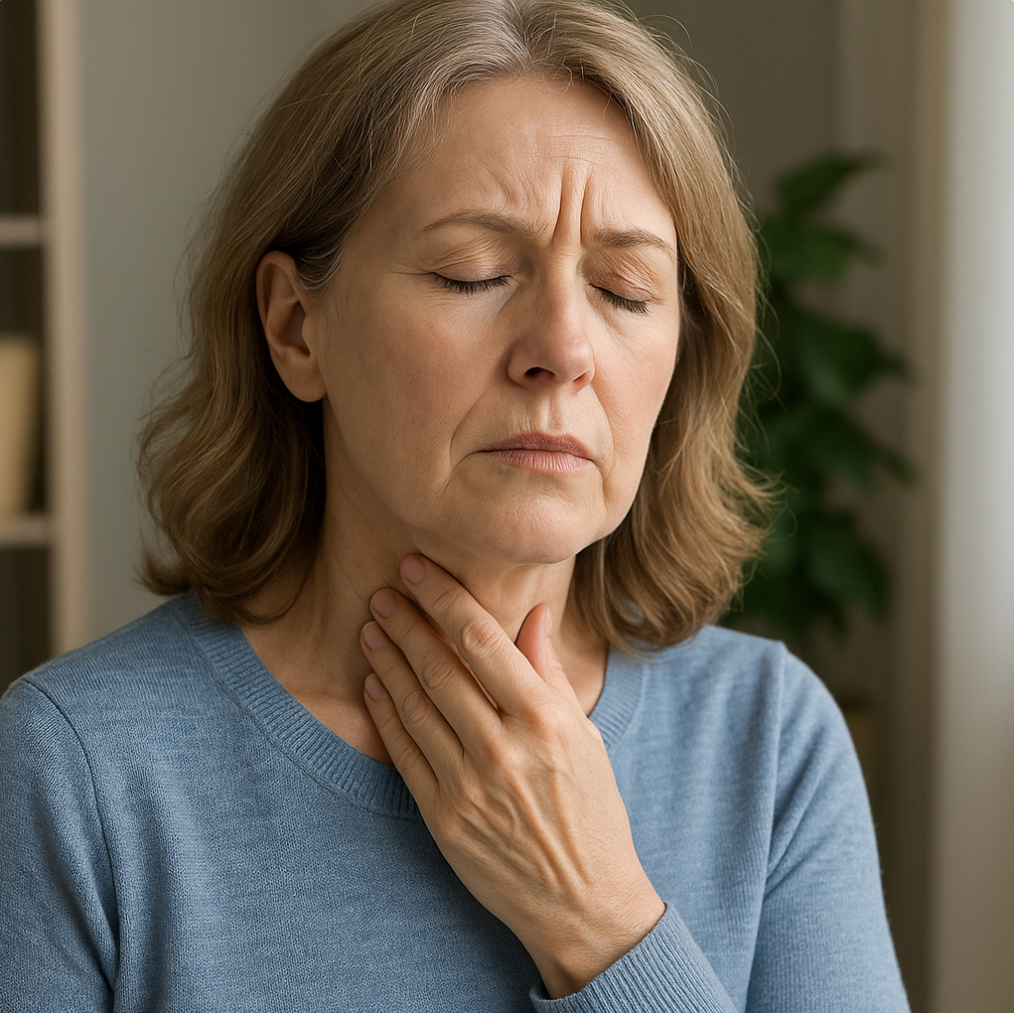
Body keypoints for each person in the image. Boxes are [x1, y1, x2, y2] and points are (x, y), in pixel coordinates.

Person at [0, 0, 910, 1009]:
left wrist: (602, 921)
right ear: (297, 326)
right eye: (472, 272)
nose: (562, 349)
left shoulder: (772, 743)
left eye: (623, 289)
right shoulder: (80, 767)